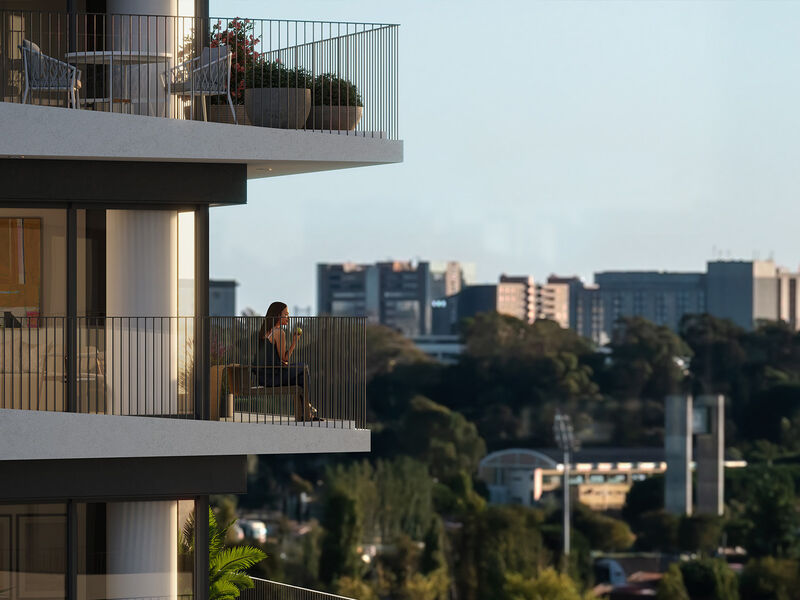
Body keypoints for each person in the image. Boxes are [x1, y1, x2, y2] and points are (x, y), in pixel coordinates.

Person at [252, 302, 321, 422]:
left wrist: (280, 363)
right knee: (304, 368)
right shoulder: (279, 332)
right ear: (278, 315)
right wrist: (295, 342)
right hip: (272, 377)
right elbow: (285, 359)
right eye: (286, 314)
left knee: (301, 377)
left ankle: (306, 411)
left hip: (264, 376)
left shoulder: (265, 331)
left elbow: (271, 357)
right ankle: (307, 409)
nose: (288, 317)